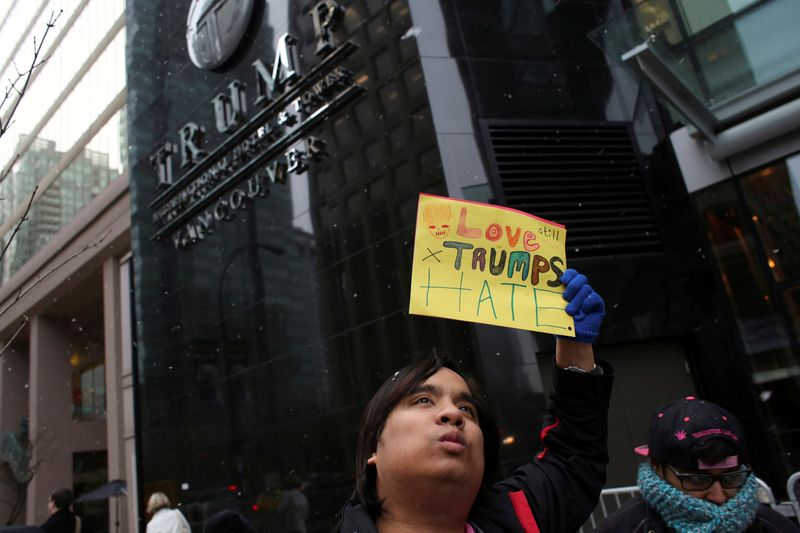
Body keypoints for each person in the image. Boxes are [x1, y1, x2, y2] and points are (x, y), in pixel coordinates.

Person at [337, 268, 614, 532]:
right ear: (374, 446)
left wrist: (575, 347)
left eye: (466, 409)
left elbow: (572, 458)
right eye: (423, 400)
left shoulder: (519, 517)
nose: (453, 414)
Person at [595, 396, 800, 532]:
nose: (719, 496)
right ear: (658, 468)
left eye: (731, 477)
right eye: (697, 480)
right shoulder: (623, 528)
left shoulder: (774, 527)